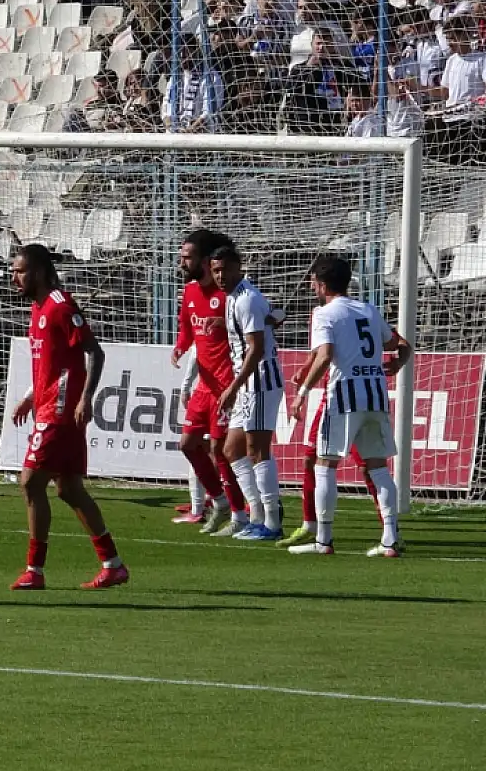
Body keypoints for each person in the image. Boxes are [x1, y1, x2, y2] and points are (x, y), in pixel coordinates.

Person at [7, 244, 128, 590]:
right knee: (69, 490)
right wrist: (30, 397)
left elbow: (95, 353)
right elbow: (52, 364)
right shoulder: (38, 308)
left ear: (39, 272)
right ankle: (113, 565)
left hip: (60, 411)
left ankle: (35, 570)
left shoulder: (60, 306)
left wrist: (86, 398)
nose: (14, 278)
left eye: (20, 271)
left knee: (31, 483)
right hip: (49, 407)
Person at [288, 254, 413, 556]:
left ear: (321, 284)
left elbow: (325, 355)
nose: (312, 287)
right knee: (378, 468)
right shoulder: (368, 310)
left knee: (324, 464)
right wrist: (398, 363)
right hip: (375, 395)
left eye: (313, 282)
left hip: (344, 396)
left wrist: (302, 392)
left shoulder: (324, 314)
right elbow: (401, 345)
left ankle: (323, 540)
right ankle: (390, 540)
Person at [169, 230, 251, 530]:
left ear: (205, 260)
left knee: (220, 450)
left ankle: (240, 512)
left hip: (227, 384)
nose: (182, 263)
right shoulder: (190, 292)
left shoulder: (230, 294)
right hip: (204, 385)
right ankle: (219, 502)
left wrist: (227, 325)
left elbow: (263, 322)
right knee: (188, 444)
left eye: (187, 257)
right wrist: (180, 347)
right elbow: (187, 329)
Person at [212, 244, 285, 541]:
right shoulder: (234, 298)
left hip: (261, 380)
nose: (220, 276)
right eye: (216, 270)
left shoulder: (247, 299)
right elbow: (274, 316)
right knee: (231, 449)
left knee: (258, 449)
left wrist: (233, 387)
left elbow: (256, 349)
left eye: (225, 269)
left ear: (238, 268)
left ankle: (272, 523)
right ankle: (256, 515)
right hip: (248, 382)